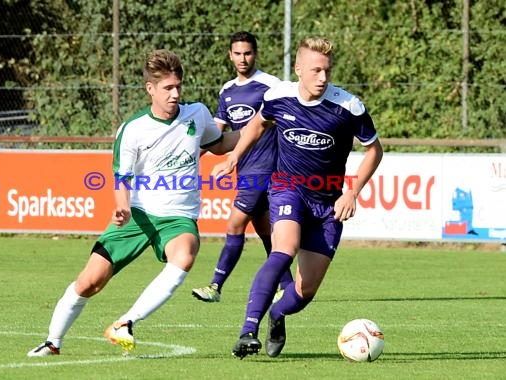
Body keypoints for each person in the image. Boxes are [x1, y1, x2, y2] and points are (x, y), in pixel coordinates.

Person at [27, 49, 241, 357]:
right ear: (150, 89)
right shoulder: (133, 129)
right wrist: (122, 206)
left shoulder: (196, 114)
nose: (175, 94)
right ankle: (52, 341)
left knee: (185, 255)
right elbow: (121, 178)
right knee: (90, 281)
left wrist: (261, 128)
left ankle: (125, 322)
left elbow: (219, 143)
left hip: (178, 216)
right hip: (138, 215)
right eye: (168, 88)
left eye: (178, 86)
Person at [212, 37, 383, 359]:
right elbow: (258, 124)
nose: (323, 77)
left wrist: (352, 192)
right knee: (283, 250)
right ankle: (247, 331)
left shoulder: (348, 106)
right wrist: (235, 155)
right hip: (287, 189)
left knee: (305, 291)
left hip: (328, 203)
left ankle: (277, 315)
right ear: (299, 69)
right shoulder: (278, 96)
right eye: (316, 70)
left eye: (327, 71)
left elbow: (374, 150)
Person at [192, 31, 293, 303]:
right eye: (237, 53)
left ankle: (215, 286)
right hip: (244, 169)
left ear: (255, 54)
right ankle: (288, 286)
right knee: (265, 231)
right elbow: (216, 134)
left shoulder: (271, 85)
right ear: (230, 55)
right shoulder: (227, 90)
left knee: (235, 225)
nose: (242, 58)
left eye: (247, 53)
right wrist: (192, 155)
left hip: (266, 168)